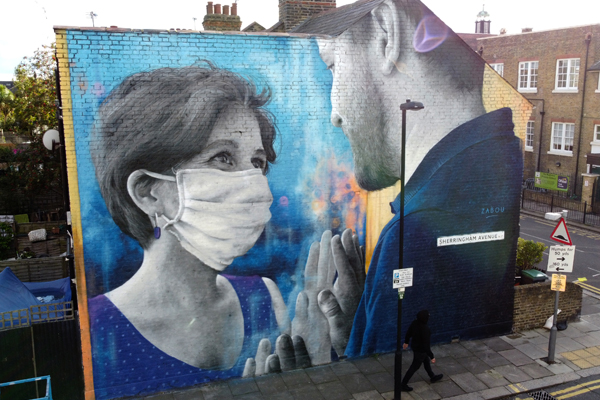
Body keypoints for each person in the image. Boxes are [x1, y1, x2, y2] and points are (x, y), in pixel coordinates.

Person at [87, 63, 363, 398]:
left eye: (257, 162)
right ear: (148, 192)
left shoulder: (264, 296)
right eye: (223, 157)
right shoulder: (95, 329)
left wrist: (322, 366)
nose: (254, 185)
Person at [295, 0, 524, 357]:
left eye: (333, 65)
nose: (334, 115)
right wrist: (360, 333)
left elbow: (382, 378)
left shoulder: (412, 234)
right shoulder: (503, 167)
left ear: (386, 33)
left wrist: (338, 361)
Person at [400, 310, 443, 392]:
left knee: (426, 361)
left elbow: (408, 333)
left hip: (415, 347)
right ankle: (403, 384)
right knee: (414, 367)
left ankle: (432, 376)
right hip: (421, 350)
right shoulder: (425, 329)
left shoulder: (414, 323)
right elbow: (426, 345)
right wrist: (432, 356)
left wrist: (406, 342)